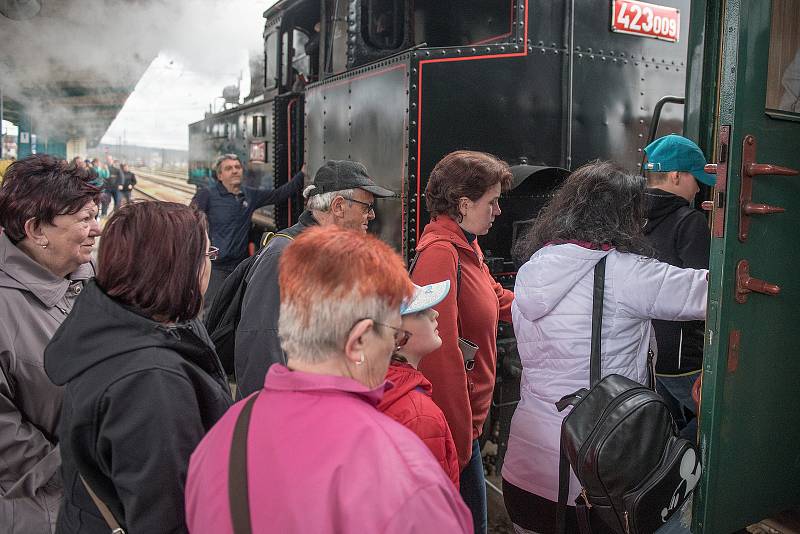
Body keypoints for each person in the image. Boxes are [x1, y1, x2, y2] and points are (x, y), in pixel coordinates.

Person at [185, 226, 472, 533]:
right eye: (391, 333)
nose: (392, 346)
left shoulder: (222, 436)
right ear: (358, 341)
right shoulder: (402, 464)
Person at [501, 160, 708, 534]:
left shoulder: (535, 266)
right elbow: (712, 293)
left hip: (527, 469)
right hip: (598, 475)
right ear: (623, 217)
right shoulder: (627, 273)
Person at [43, 201, 233, 533]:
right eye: (206, 255)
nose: (208, 266)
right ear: (177, 268)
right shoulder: (151, 381)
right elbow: (167, 518)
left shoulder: (105, 330)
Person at [410, 150, 514, 534]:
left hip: (468, 424)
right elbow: (441, 355)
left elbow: (497, 298)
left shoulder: (466, 246)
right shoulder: (441, 254)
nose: (498, 211)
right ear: (464, 204)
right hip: (457, 430)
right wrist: (459, 437)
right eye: (492, 202)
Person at [0, 154, 101, 534]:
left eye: (95, 215)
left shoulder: (93, 279)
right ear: (36, 230)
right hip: (37, 512)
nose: (97, 229)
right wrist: (78, 467)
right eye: (84, 219)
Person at [234, 159, 394, 397]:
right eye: (366, 207)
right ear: (338, 206)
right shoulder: (284, 255)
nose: (370, 216)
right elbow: (260, 342)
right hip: (287, 414)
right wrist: (268, 418)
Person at [643, 134, 716, 441]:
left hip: (648, 355)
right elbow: (704, 291)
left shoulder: (631, 218)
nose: (699, 188)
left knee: (665, 432)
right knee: (717, 423)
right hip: (686, 359)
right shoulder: (690, 222)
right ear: (675, 175)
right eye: (694, 178)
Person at [191, 153, 306, 310]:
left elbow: (279, 195)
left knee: (236, 309)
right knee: (212, 310)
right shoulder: (207, 195)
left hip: (240, 266)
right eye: (228, 168)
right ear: (220, 175)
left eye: (237, 167)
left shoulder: (249, 195)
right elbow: (190, 222)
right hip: (216, 267)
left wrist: (302, 174)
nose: (234, 171)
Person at [377, 279, 461, 488]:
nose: (435, 314)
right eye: (420, 311)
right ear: (395, 335)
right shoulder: (420, 416)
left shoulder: (372, 385)